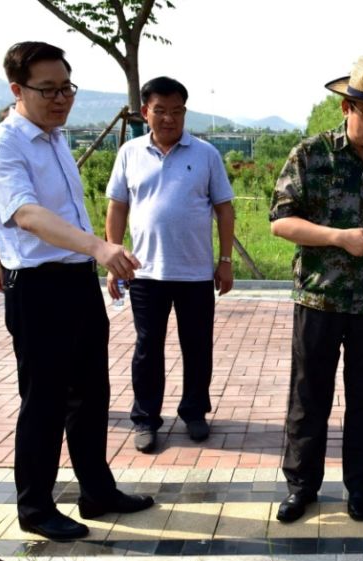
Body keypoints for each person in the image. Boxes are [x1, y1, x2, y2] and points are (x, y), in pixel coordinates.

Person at [0, 41, 153, 542]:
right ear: (17, 89)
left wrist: (97, 259)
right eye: (48, 90)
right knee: (45, 400)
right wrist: (100, 247)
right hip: (38, 289)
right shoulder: (1, 145)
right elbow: (25, 214)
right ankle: (35, 506)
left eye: (66, 88)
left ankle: (97, 490)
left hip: (76, 282)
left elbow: (59, 214)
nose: (61, 99)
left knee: (91, 394)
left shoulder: (54, 139)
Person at [270, 57, 363, 523]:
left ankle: (360, 487)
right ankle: (301, 487)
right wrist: (337, 237)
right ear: (346, 107)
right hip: (319, 299)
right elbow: (280, 222)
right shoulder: (311, 154)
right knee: (308, 396)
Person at [104, 76, 236, 454]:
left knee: (197, 347)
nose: (169, 119)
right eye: (160, 111)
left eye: (177, 111)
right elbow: (117, 205)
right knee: (148, 347)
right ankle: (145, 418)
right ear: (145, 112)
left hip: (195, 273)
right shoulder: (129, 152)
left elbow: (225, 210)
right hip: (145, 272)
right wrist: (114, 257)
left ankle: (194, 411)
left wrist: (225, 261)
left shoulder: (205, 153)